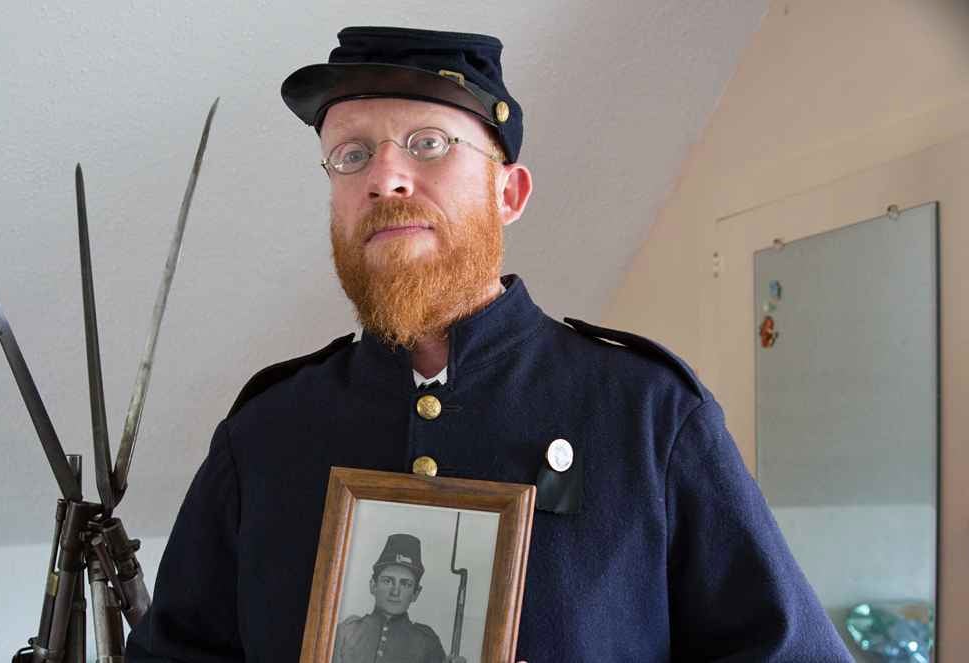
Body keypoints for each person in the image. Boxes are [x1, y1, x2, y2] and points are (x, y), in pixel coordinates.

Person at [127, 26, 853, 661]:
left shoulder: (650, 416)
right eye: (351, 155)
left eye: (428, 144)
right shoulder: (263, 434)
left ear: (509, 193)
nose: (385, 177)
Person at [331, 533, 447, 663]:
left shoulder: (427, 642)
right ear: (373, 585)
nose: (395, 591)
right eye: (388, 581)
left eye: (405, 584)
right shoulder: (347, 632)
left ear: (416, 593)